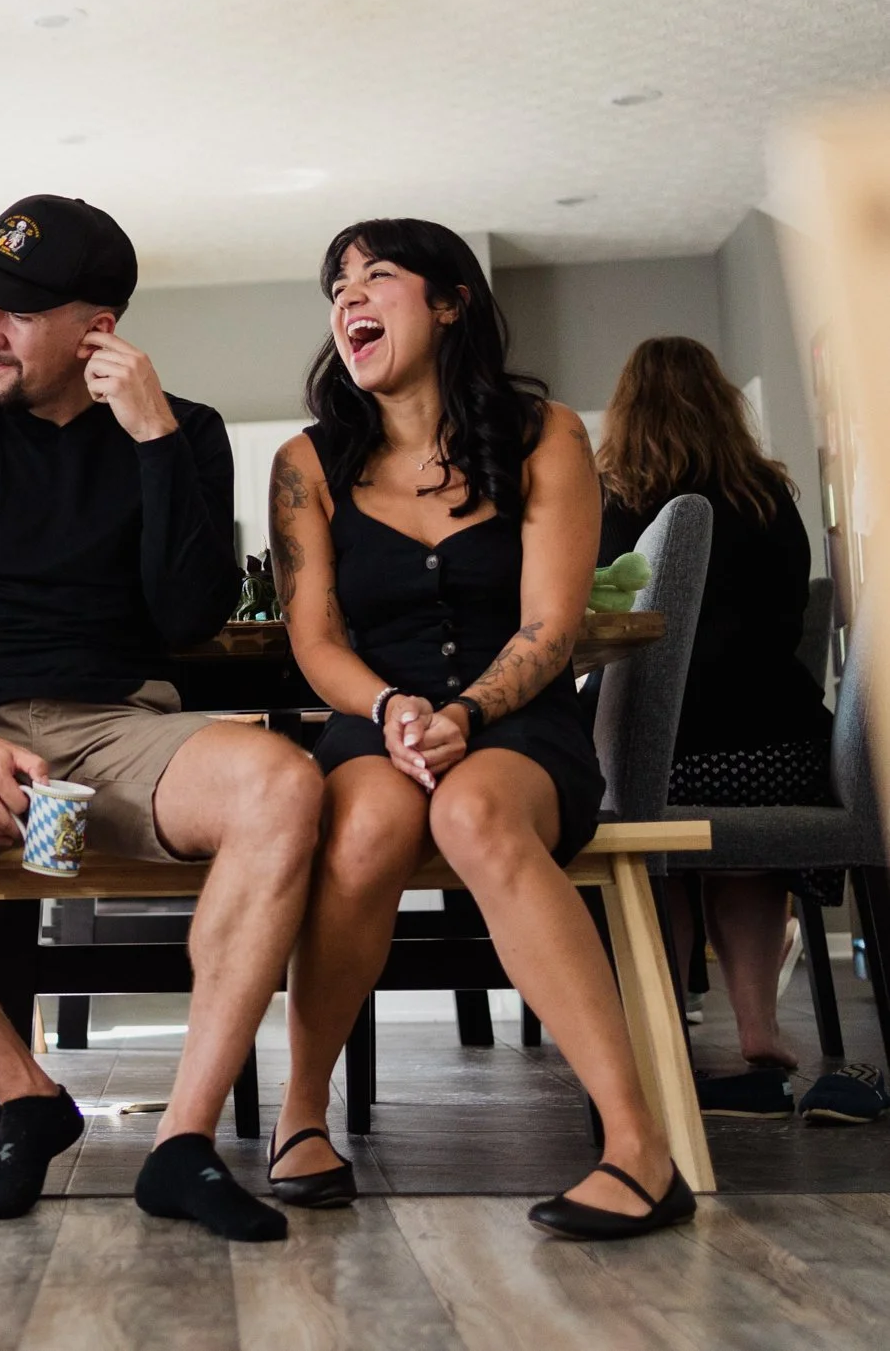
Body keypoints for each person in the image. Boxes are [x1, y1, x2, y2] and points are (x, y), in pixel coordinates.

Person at [0, 194, 323, 1240]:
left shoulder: (182, 431)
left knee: (284, 783)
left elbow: (188, 618)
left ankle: (182, 1141)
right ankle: (27, 1096)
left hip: (120, 724)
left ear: (97, 329)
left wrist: (155, 441)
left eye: (20, 312)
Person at [266, 217, 692, 1239]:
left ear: (451, 301)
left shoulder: (546, 434)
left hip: (519, 723)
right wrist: (389, 707)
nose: (347, 297)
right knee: (362, 826)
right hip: (374, 719)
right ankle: (300, 1116)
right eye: (336, 285)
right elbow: (314, 640)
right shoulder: (305, 462)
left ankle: (638, 1148)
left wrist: (465, 712)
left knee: (473, 813)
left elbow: (551, 625)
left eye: (375, 275)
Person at [597, 337, 881, 1123]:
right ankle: (759, 1025)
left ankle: (662, 1031)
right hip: (784, 752)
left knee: (647, 842)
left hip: (668, 756)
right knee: (743, 858)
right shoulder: (769, 495)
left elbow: (604, 620)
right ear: (723, 402)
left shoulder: (618, 498)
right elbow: (788, 621)